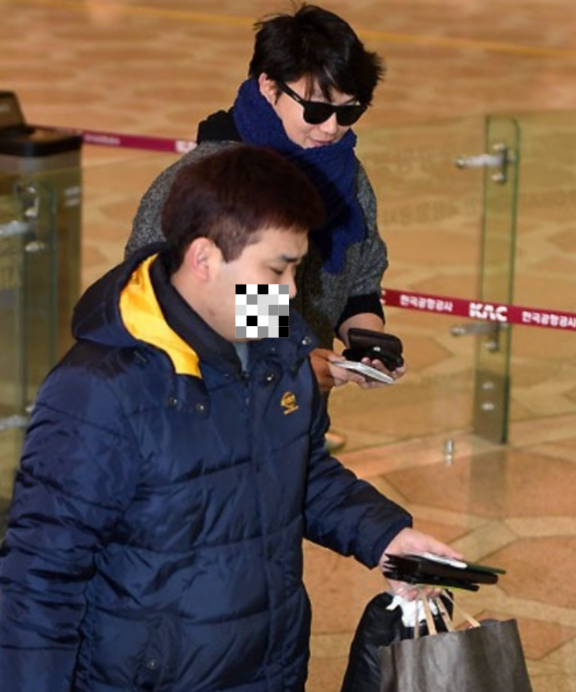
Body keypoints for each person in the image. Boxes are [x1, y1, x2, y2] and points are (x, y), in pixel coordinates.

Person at [0, 145, 459, 692]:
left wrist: (385, 535)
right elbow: (39, 578)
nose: (291, 293)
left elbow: (299, 470)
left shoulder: (279, 344)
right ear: (204, 259)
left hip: (269, 670)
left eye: (297, 268)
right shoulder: (99, 390)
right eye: (277, 269)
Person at [125, 3, 400, 451]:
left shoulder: (346, 176)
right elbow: (161, 304)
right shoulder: (206, 182)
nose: (332, 128)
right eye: (316, 109)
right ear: (268, 86)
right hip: (203, 421)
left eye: (349, 112)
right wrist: (295, 362)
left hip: (297, 416)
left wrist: (367, 344)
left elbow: (360, 280)